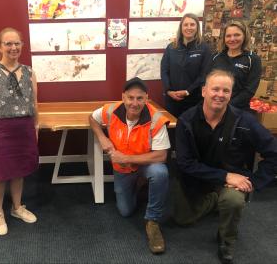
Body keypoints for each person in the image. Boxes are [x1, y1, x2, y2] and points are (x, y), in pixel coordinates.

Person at [173, 69, 277, 264]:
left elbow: (274, 153)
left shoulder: (245, 121)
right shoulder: (186, 120)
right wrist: (224, 176)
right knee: (182, 219)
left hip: (232, 182)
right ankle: (214, 200)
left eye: (226, 91)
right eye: (215, 89)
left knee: (233, 200)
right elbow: (185, 163)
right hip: (199, 176)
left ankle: (226, 240)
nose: (220, 95)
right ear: (204, 91)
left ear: (231, 94)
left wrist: (254, 181)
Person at [89, 77, 171, 254]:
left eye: (140, 98)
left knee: (160, 173)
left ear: (146, 98)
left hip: (145, 164)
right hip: (123, 170)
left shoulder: (156, 118)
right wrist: (102, 137)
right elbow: (92, 118)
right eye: (130, 98)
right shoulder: (111, 109)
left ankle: (153, 221)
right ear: (123, 97)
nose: (135, 103)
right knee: (125, 211)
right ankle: (140, 185)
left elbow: (161, 155)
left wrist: (126, 158)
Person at [0, 28, 39, 236]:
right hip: (0, 130)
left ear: (22, 45)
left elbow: (34, 102)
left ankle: (17, 207)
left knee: (19, 171)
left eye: (17, 43)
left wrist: (36, 127)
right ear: (0, 46)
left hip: (24, 129)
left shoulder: (30, 72)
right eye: (8, 43)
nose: (13, 48)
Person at [161, 13, 211, 117]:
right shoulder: (171, 47)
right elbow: (164, 71)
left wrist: (188, 91)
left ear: (197, 27)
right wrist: (169, 91)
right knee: (172, 130)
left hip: (194, 100)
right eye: (186, 25)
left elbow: (204, 75)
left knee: (190, 131)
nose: (189, 28)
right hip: (172, 100)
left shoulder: (204, 49)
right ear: (181, 27)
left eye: (192, 24)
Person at [209, 20, 262, 110]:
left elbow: (249, 90)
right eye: (228, 36)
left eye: (237, 35)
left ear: (244, 36)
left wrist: (227, 106)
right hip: (214, 107)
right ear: (224, 38)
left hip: (238, 110)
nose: (232, 39)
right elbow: (207, 82)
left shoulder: (252, 59)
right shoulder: (215, 57)